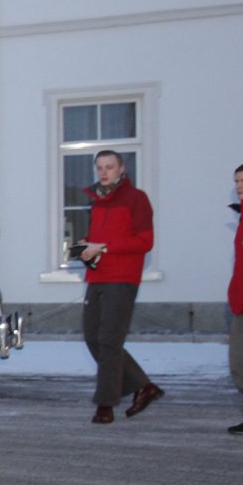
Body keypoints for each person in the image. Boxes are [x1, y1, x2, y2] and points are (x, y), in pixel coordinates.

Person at [78, 149, 162, 424]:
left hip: (122, 279)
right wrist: (87, 247)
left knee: (109, 341)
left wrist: (104, 246)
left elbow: (145, 242)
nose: (104, 172)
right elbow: (99, 239)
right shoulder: (97, 201)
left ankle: (105, 404)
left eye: (109, 167)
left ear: (121, 168)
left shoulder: (136, 199)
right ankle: (144, 386)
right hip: (97, 277)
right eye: (100, 167)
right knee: (93, 337)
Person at [228, 162, 243, 436]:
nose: (239, 186)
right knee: (240, 362)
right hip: (242, 302)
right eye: (237, 181)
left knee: (241, 361)